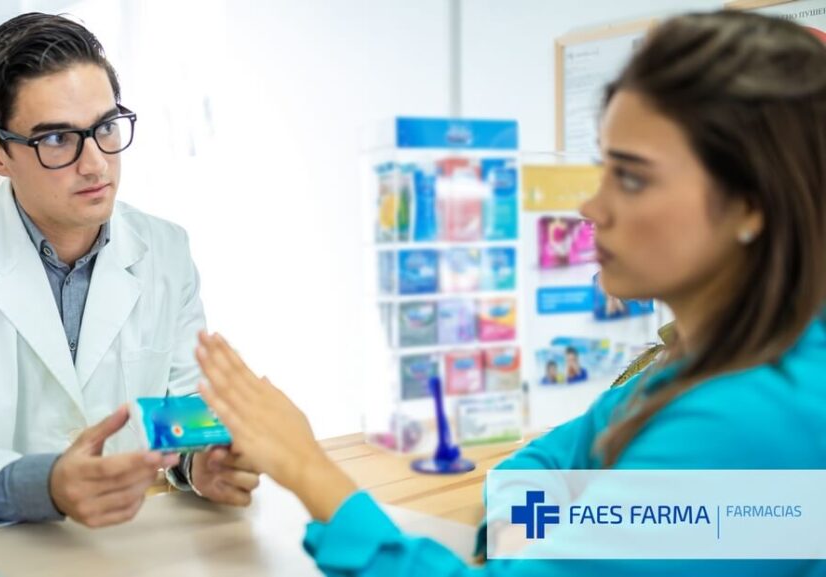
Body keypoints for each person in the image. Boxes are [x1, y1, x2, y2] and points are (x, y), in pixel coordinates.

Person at [193, 11, 826, 576]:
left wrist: (308, 469)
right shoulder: (698, 361)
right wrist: (561, 537)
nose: (591, 206)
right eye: (603, 167)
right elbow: (542, 465)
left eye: (631, 179)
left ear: (752, 204)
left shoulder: (758, 418)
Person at [0, 13, 258, 527]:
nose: (95, 163)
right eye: (57, 139)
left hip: (132, 547)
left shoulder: (165, 248)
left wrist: (200, 461)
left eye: (104, 128)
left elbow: (179, 402)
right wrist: (46, 486)